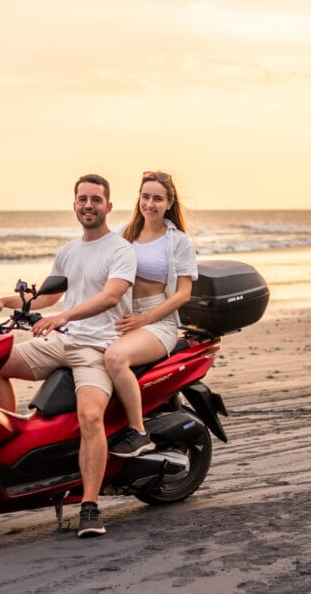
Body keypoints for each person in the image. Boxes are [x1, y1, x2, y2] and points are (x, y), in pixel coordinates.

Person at [0, 174, 136, 538]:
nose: (88, 205)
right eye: (82, 199)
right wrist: (3, 302)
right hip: (62, 340)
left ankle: (89, 506)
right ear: (74, 206)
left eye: (95, 200)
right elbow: (49, 297)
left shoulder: (120, 250)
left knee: (89, 416)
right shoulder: (68, 251)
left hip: (97, 348)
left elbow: (111, 296)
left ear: (108, 206)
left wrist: (64, 316)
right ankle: (10, 447)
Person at [104, 170, 198, 458]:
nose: (150, 204)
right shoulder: (124, 232)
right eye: (146, 197)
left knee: (115, 358)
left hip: (159, 321)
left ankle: (138, 430)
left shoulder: (178, 241)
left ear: (169, 203)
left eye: (158, 199)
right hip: (123, 316)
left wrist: (144, 320)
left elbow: (183, 294)